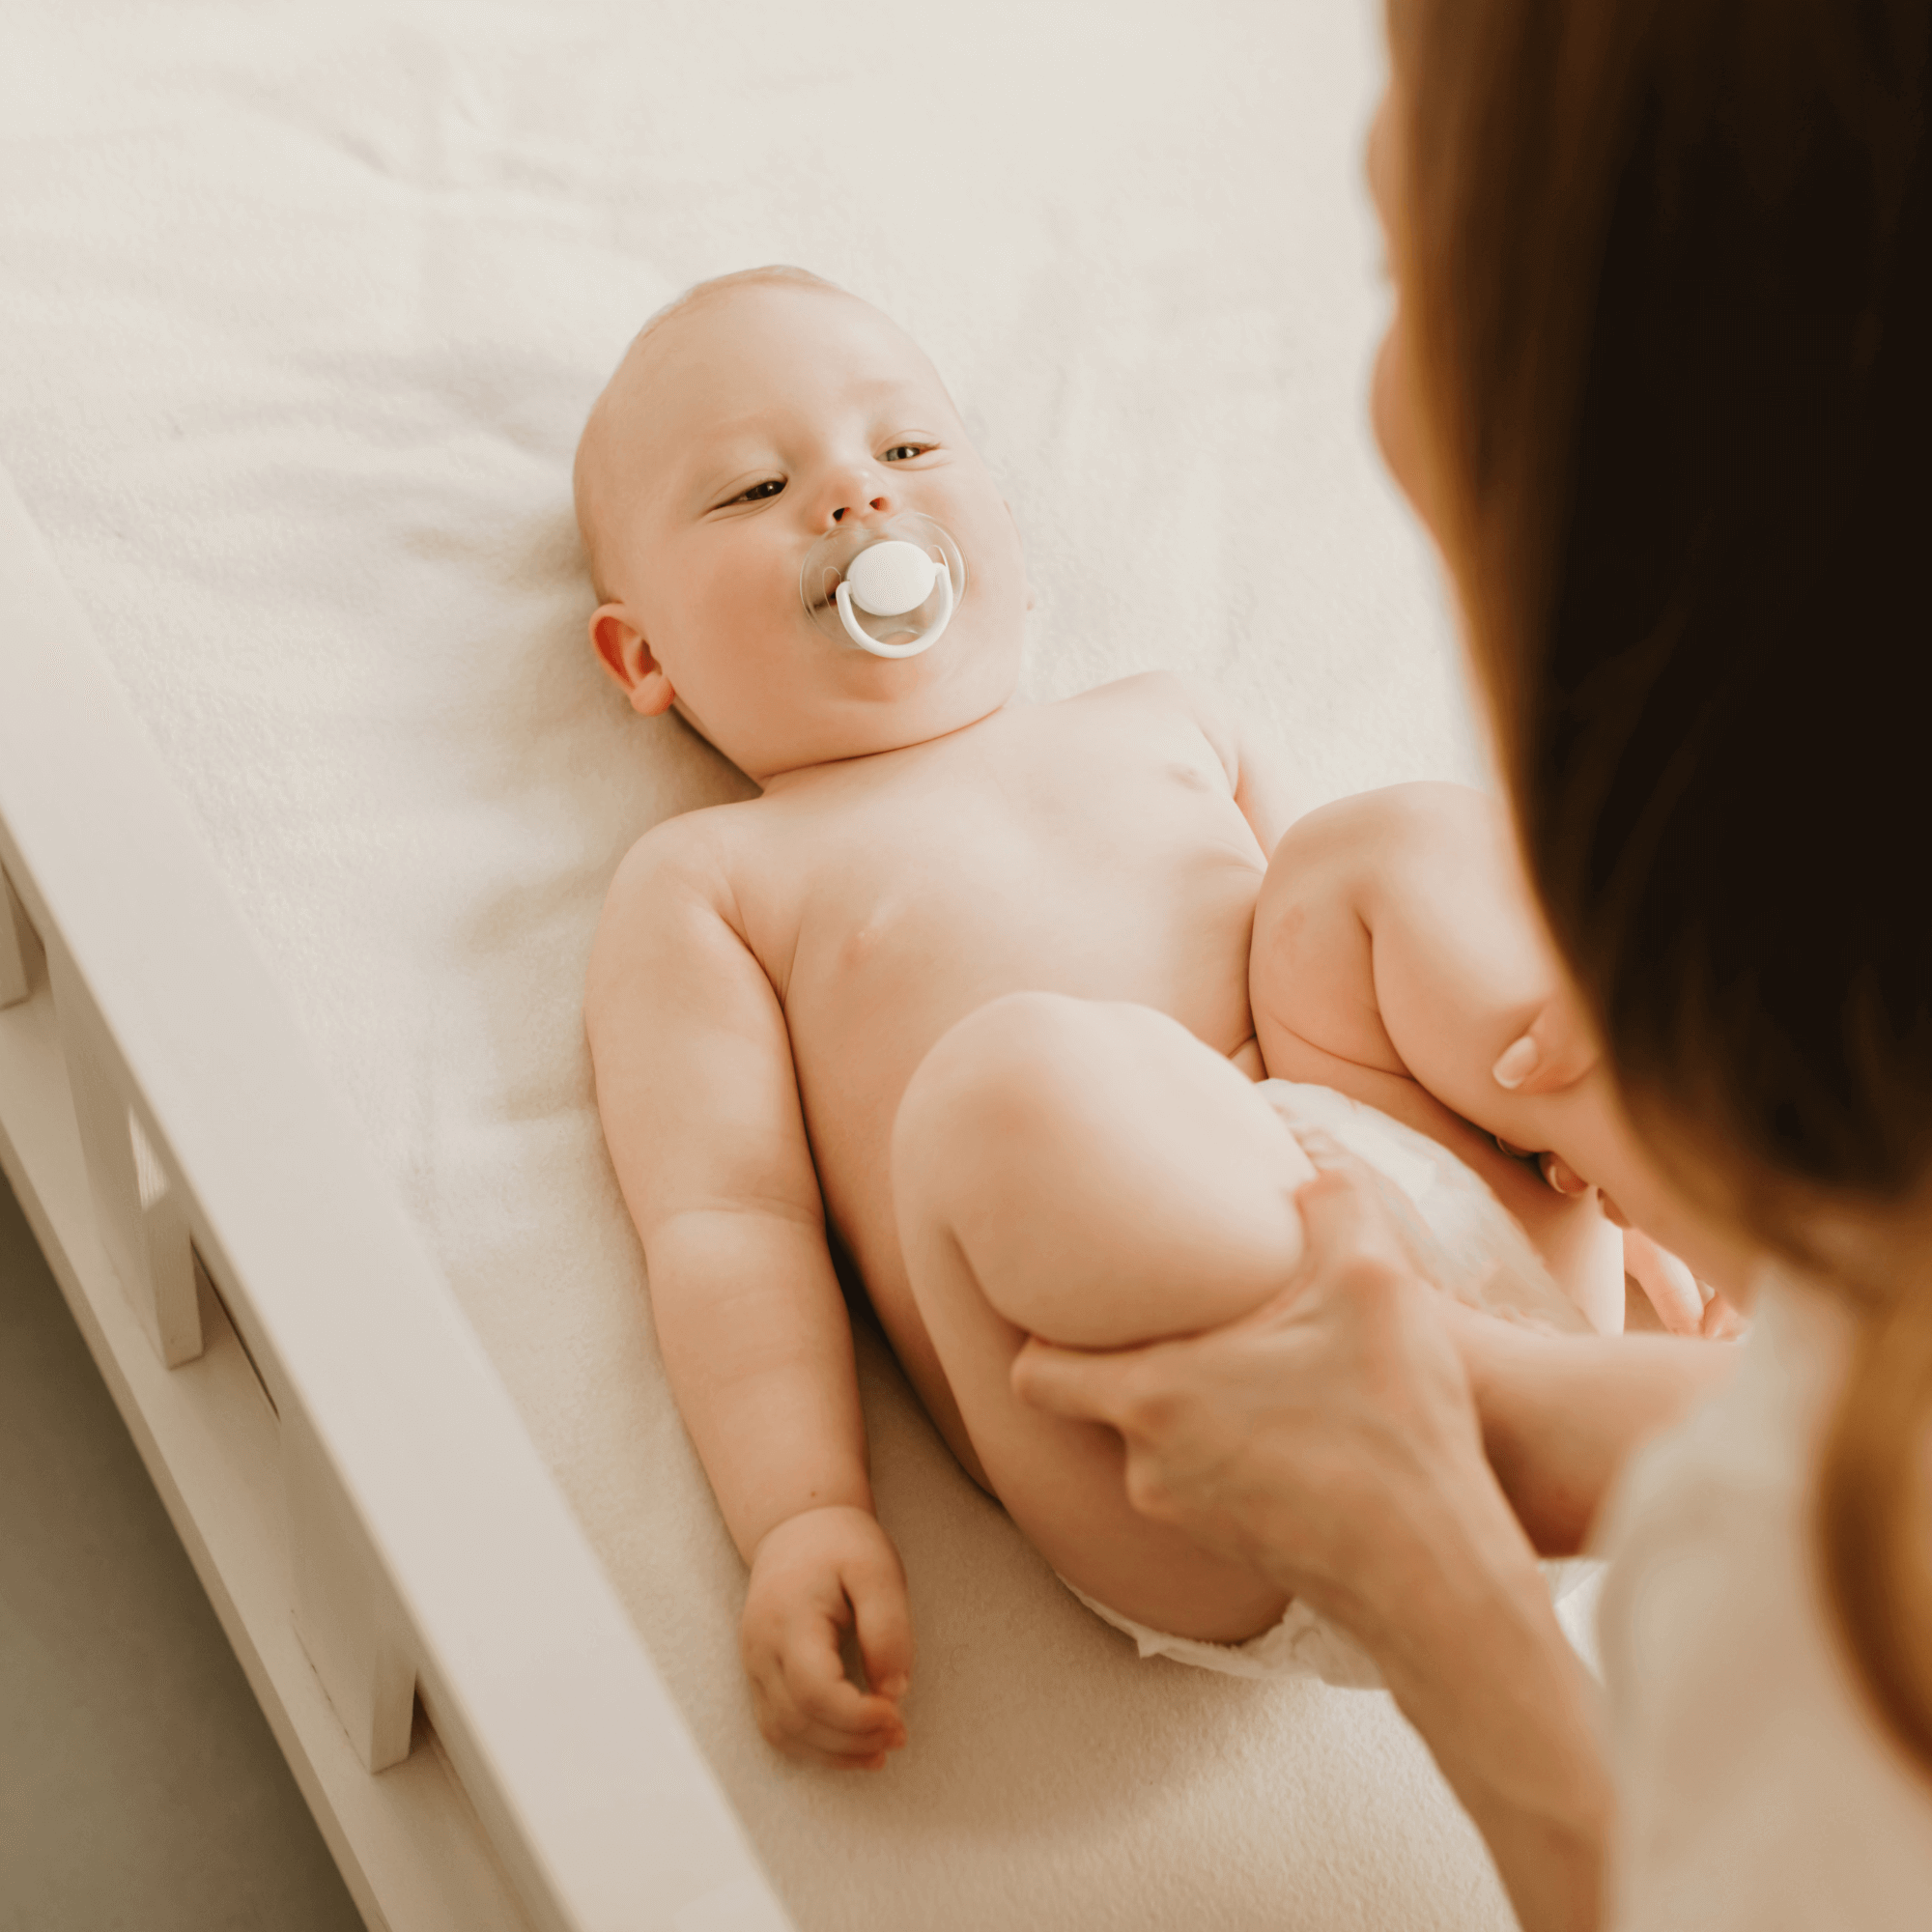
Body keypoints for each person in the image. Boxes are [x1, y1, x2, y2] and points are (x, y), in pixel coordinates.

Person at [1005, 2, 1932, 1926]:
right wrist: (1522, 1408)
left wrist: (1424, 1563)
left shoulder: (1799, 1614)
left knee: (1008, 1093)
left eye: (1404, 267)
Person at [574, 268, 1723, 1771]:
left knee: (1385, 849)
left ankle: (1665, 1164)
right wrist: (800, 1514)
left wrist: (1563, 1145)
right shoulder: (713, 879)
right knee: (1012, 1077)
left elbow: (1372, 988)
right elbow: (727, 1223)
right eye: (754, 488)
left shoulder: (1165, 715)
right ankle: (1488, 1408)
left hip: (1468, 1251)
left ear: (1011, 541)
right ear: (643, 656)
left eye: (907, 449)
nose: (856, 496)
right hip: (1188, 1437)